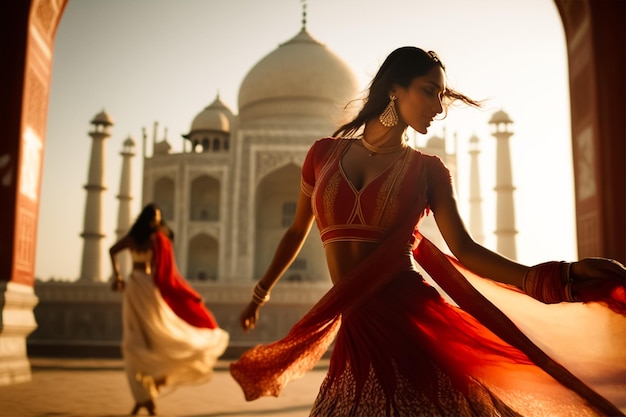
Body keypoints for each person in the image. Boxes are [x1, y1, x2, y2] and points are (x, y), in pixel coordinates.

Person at [229, 47, 626, 416]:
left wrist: (562, 277)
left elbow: (467, 251)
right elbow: (297, 229)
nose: (439, 107)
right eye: (429, 91)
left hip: (410, 319)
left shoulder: (428, 170)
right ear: (393, 90)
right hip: (357, 325)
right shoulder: (322, 155)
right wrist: (260, 294)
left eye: (442, 95)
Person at [110, 203, 229, 416]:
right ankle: (145, 395)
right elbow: (112, 251)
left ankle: (146, 394)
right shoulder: (134, 239)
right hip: (135, 288)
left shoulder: (158, 241)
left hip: (148, 288)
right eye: (153, 217)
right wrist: (117, 276)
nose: (155, 220)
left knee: (156, 338)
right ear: (146, 218)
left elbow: (167, 274)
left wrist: (186, 295)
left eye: (158, 217)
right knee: (133, 342)